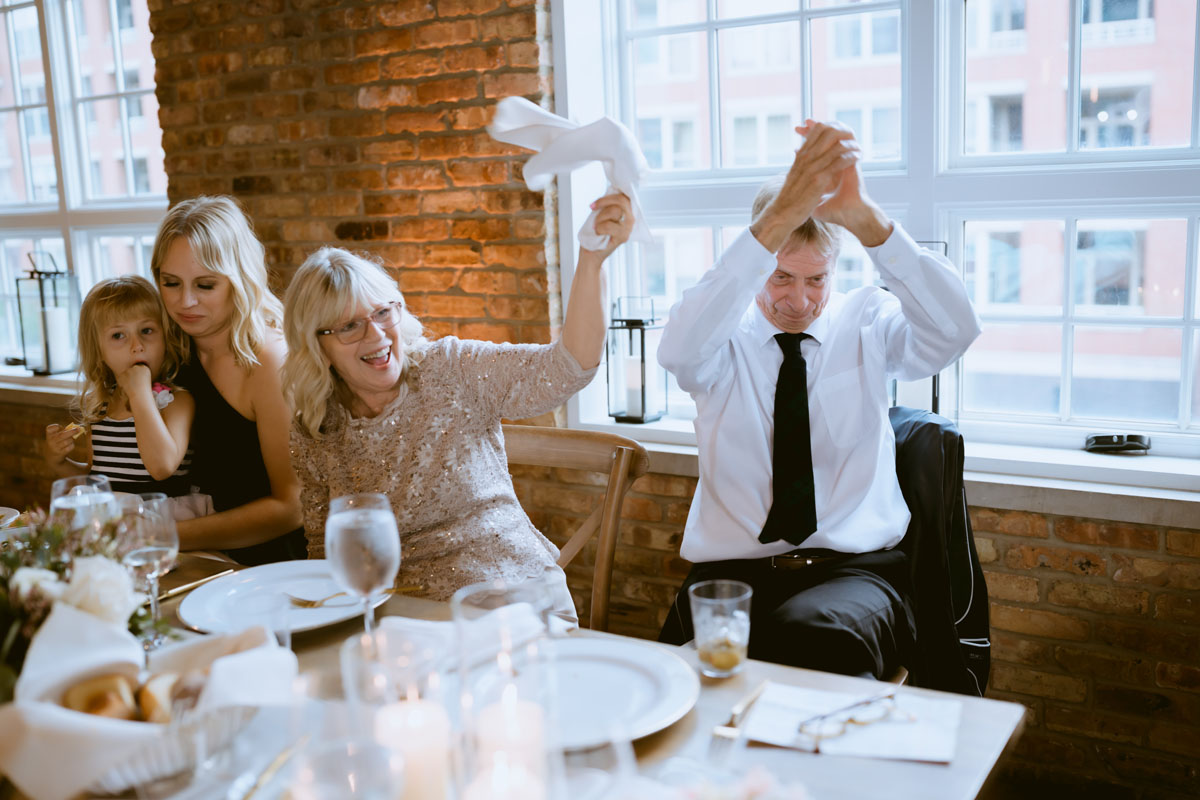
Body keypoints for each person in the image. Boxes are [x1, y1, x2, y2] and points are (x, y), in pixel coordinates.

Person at [656, 121, 982, 679]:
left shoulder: (867, 320)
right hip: (733, 574)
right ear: (758, 265)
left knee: (811, 639)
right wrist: (778, 216)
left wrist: (868, 221)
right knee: (678, 691)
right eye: (781, 277)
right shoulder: (719, 340)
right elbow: (677, 351)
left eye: (816, 280)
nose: (799, 301)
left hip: (854, 572)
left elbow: (955, 330)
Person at [282, 192, 634, 621]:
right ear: (316, 345)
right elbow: (325, 552)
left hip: (509, 599)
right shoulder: (316, 427)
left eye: (383, 313)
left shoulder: (451, 369)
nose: (376, 335)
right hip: (403, 619)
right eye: (350, 326)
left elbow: (567, 368)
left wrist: (591, 260)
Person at [151, 196, 304, 564]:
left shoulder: (267, 360)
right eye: (171, 283)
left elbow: (291, 507)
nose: (185, 302)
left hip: (266, 566)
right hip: (191, 557)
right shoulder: (170, 346)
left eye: (205, 285)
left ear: (239, 279)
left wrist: (162, 536)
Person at [43, 275, 209, 518]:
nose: (137, 345)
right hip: (113, 523)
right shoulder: (100, 408)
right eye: (118, 335)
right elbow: (98, 480)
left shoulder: (176, 402)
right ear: (98, 350)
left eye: (147, 330)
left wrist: (140, 394)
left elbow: (162, 467)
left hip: (161, 521)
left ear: (165, 337)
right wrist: (57, 460)